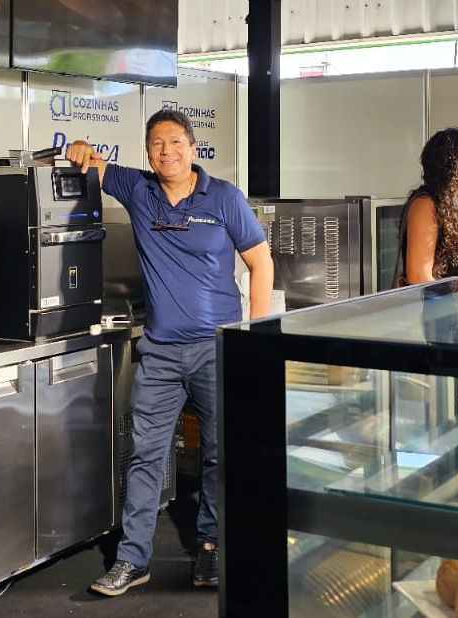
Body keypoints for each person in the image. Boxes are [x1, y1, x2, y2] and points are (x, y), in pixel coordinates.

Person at [65, 109, 274, 596]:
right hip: (159, 352)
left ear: (193, 146)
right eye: (157, 144)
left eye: (176, 142)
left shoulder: (223, 197)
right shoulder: (138, 189)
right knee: (146, 457)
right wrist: (77, 146)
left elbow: (261, 263)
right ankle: (132, 559)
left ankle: (211, 547)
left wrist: (256, 334)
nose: (167, 152)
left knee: (222, 455)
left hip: (216, 348)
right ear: (148, 151)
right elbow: (89, 162)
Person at [393, 127, 458, 287]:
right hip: (442, 309)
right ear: (449, 164)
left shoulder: (451, 204)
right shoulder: (425, 204)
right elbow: (418, 277)